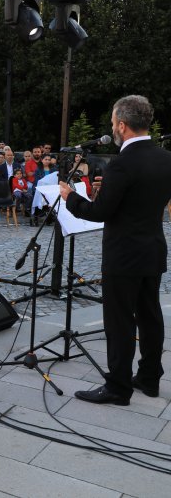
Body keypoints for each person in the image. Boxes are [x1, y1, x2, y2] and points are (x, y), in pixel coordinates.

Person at [59, 95, 171, 406]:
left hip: (124, 253)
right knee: (150, 316)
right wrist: (106, 190)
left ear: (122, 125)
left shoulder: (122, 162)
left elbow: (100, 213)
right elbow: (138, 200)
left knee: (120, 319)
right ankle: (149, 378)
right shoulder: (165, 158)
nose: (112, 127)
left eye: (112, 122)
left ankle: (118, 386)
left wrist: (71, 197)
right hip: (152, 248)